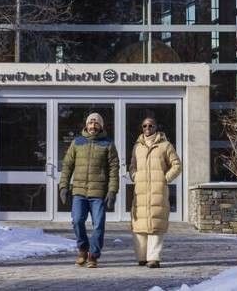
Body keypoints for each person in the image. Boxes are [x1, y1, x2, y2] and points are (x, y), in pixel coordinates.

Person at [58, 112, 119, 268]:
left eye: (96, 123)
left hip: (98, 193)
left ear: (101, 126)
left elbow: (114, 169)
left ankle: (93, 255)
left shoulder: (108, 144)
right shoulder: (77, 143)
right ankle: (83, 249)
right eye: (91, 123)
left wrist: (112, 191)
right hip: (78, 191)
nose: (93, 126)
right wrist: (63, 186)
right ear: (86, 125)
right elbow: (67, 166)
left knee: (98, 224)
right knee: (77, 221)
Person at [129, 117, 181, 268]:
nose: (147, 128)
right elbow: (132, 165)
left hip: (158, 190)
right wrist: (134, 176)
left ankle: (154, 258)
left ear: (156, 127)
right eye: (145, 125)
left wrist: (165, 178)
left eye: (151, 125)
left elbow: (176, 164)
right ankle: (142, 257)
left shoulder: (165, 145)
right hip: (141, 190)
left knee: (156, 223)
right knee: (139, 225)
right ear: (142, 127)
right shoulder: (137, 146)